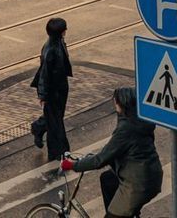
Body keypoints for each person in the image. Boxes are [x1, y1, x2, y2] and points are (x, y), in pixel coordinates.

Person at [61, 87, 163, 218]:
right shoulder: (139, 120)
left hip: (138, 183)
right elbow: (119, 146)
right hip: (151, 174)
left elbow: (100, 160)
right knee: (107, 179)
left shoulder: (126, 128)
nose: (114, 104)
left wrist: (72, 165)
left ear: (122, 104)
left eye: (116, 102)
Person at [30, 17, 73, 161]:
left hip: (61, 87)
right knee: (56, 122)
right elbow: (44, 74)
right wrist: (42, 95)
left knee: (55, 117)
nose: (66, 31)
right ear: (60, 32)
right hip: (52, 90)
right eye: (64, 29)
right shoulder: (50, 49)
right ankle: (59, 151)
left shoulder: (58, 42)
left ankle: (39, 127)